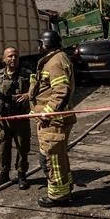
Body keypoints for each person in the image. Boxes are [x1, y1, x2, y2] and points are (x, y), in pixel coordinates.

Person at [28, 30, 76, 207]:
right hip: (55, 120)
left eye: (40, 43)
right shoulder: (56, 59)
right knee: (59, 157)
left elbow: (61, 91)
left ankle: (58, 196)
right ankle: (65, 188)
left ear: (46, 44)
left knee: (52, 159)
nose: (38, 46)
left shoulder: (55, 63)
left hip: (53, 122)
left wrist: (46, 113)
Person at [0, 47, 32, 190]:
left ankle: (22, 175)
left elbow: (38, 88)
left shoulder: (26, 74)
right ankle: (4, 175)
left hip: (21, 118)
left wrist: (28, 95)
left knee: (22, 148)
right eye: (10, 56)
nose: (13, 59)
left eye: (15, 56)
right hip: (4, 119)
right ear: (4, 59)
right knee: (4, 148)